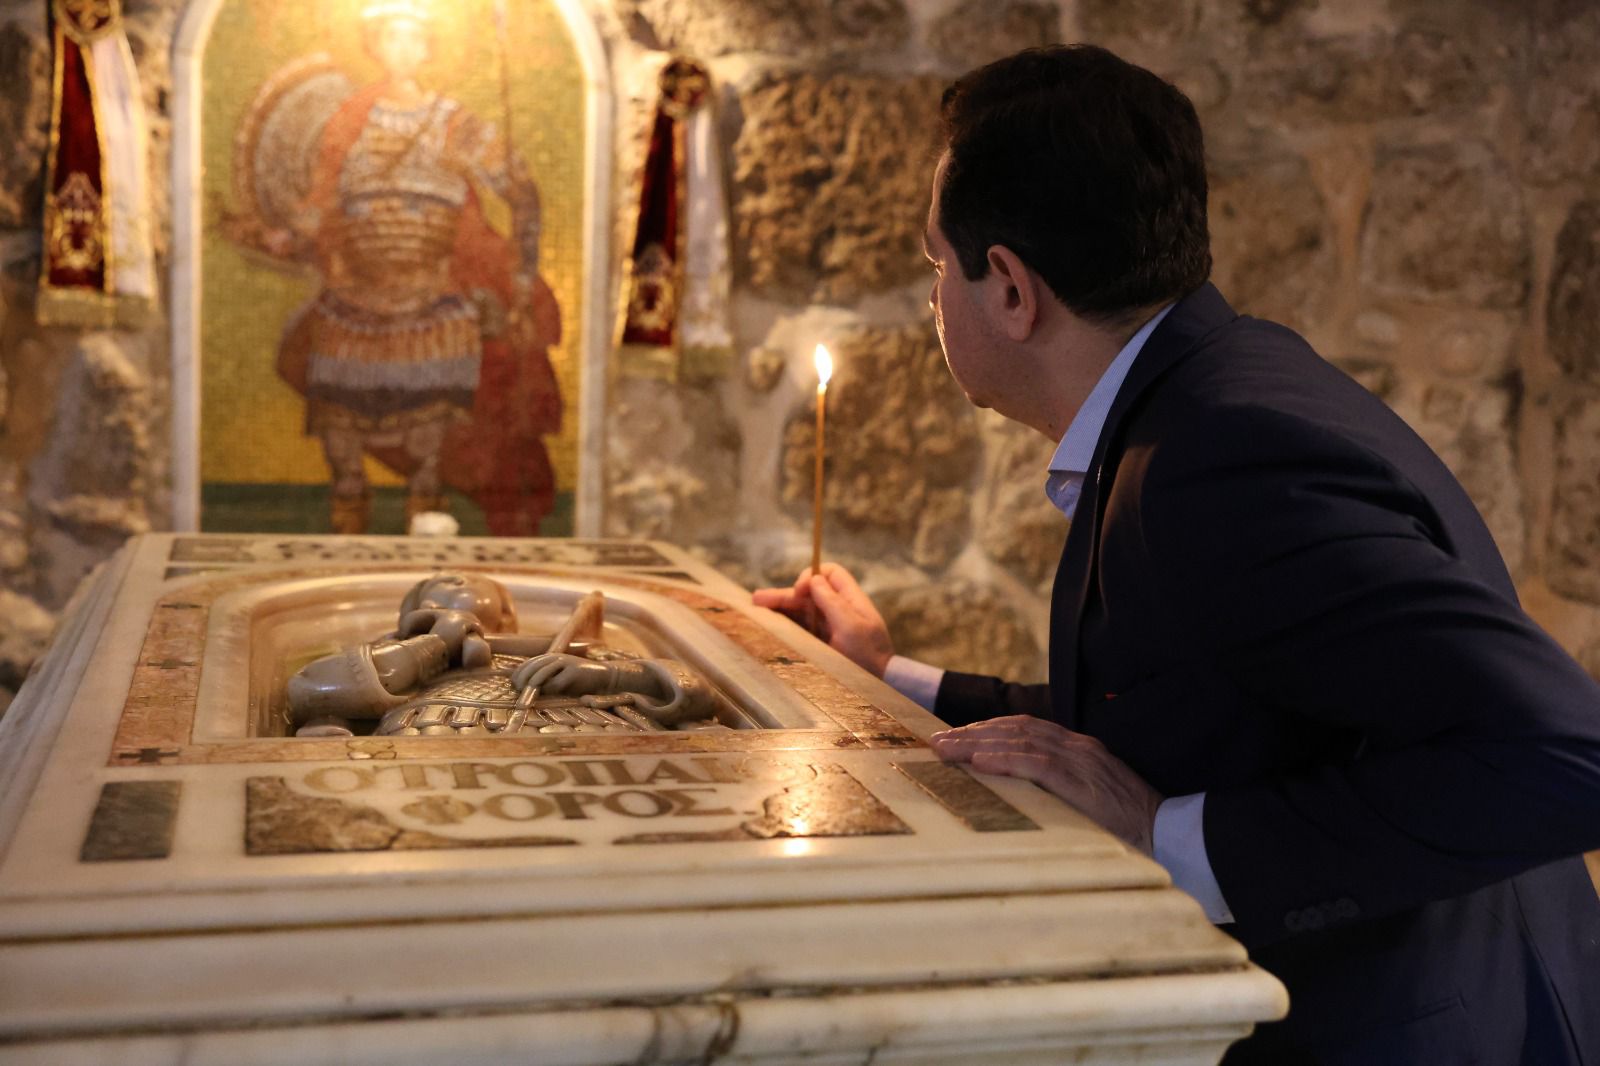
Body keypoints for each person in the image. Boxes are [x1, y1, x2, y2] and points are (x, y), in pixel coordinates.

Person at [754, 44, 1600, 1064]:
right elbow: (1191, 711)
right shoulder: (1199, 395)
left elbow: (1566, 753)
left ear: (1012, 291)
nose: (934, 296)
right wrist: (889, 678)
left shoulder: (1222, 458)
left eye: (939, 266)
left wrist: (1166, 835)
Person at [253, 0, 562, 535]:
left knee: (428, 456)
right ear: (374, 46)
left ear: (429, 48)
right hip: (353, 302)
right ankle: (345, 544)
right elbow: (320, 201)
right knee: (339, 438)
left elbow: (523, 194)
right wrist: (285, 234)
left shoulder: (455, 124)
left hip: (432, 304)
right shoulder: (350, 120)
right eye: (391, 37)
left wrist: (519, 274)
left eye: (413, 37)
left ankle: (428, 531)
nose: (401, 49)